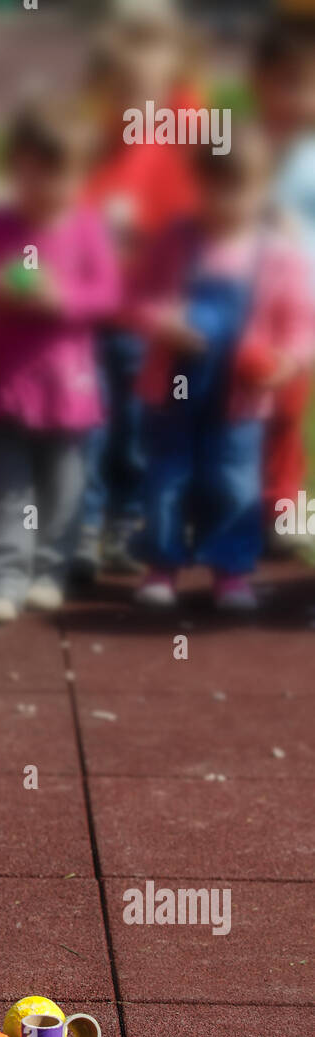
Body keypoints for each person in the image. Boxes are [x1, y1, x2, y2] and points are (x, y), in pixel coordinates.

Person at [0, 99, 119, 620]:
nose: (44, 186)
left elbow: (108, 295)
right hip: (7, 384)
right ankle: (2, 576)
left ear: (83, 175)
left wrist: (62, 299)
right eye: (31, 171)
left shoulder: (86, 228)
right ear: (13, 167)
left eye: (59, 174)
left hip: (68, 387)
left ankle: (49, 570)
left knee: (63, 487)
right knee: (6, 487)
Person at [133, 128, 313, 612]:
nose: (227, 202)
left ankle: (230, 570)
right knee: (168, 475)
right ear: (199, 185)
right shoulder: (177, 240)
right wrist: (163, 322)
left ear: (263, 189)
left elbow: (301, 324)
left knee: (232, 480)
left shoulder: (279, 255)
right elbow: (140, 296)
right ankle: (161, 565)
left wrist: (287, 361)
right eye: (215, 189)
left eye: (241, 190)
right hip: (178, 383)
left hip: (240, 394)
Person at [79, 0, 200, 579]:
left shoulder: (181, 142)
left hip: (147, 324)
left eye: (147, 90)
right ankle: (83, 523)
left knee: (137, 430)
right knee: (88, 428)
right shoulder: (94, 144)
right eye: (123, 89)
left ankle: (125, 520)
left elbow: (194, 224)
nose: (135, 102)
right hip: (90, 318)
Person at [252, 17, 315, 547]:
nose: (304, 99)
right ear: (261, 83)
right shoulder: (240, 149)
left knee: (287, 411)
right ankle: (225, 502)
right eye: (291, 83)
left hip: (298, 312)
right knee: (231, 411)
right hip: (242, 306)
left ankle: (283, 506)